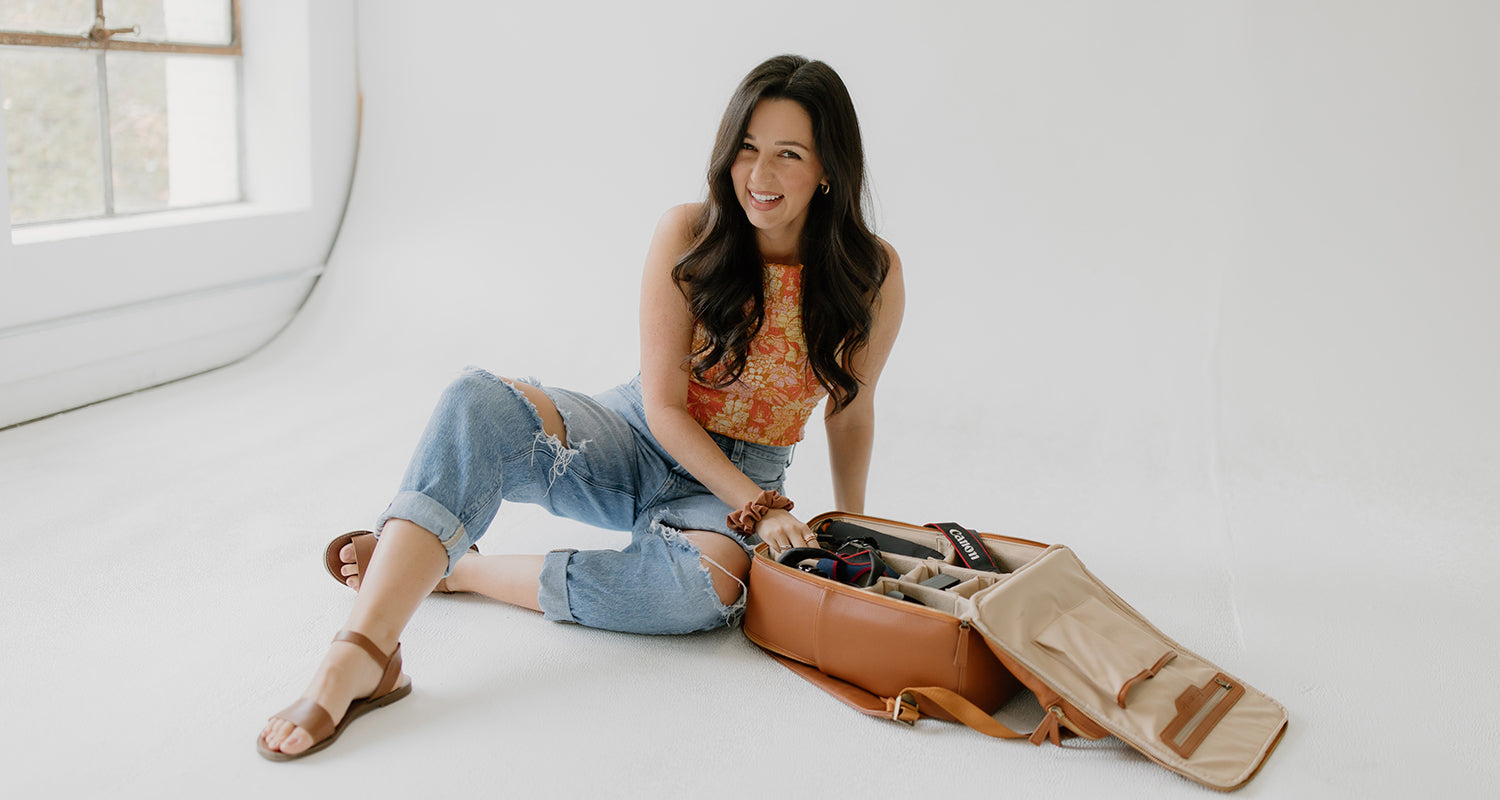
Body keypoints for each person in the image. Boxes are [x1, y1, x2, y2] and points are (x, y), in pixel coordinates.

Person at [257, 53, 904, 760]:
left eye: (788, 154)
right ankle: (362, 653)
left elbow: (851, 411)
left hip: (736, 486)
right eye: (747, 148)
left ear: (829, 169)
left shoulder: (871, 272)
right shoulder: (690, 232)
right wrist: (762, 507)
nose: (759, 175)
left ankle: (458, 569)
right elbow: (662, 407)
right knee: (476, 402)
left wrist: (850, 529)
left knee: (706, 593)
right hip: (638, 436)